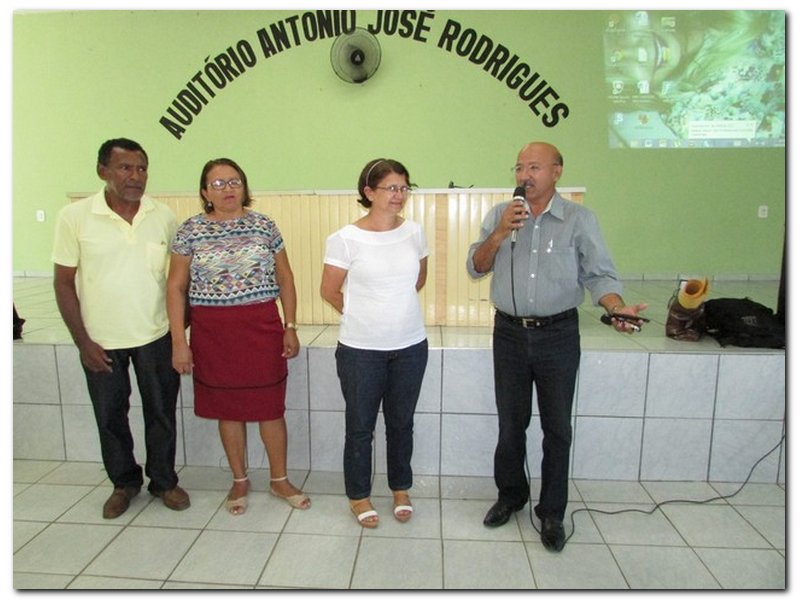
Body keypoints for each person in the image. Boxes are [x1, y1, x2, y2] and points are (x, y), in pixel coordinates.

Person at [466, 141, 647, 552]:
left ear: (556, 172)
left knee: (556, 428)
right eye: (518, 168)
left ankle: (551, 512)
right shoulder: (500, 214)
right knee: (511, 423)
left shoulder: (579, 220)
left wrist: (617, 308)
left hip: (558, 335)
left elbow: (600, 275)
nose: (524, 175)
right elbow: (476, 266)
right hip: (509, 333)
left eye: (533, 167)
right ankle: (511, 495)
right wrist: (499, 232)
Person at [53, 138, 189, 519]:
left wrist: (180, 331)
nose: (136, 176)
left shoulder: (162, 216)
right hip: (101, 340)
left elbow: (178, 282)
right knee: (111, 415)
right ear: (103, 171)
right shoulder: (75, 217)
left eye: (142, 168)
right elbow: (63, 283)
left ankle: (163, 481)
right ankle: (124, 482)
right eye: (125, 168)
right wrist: (83, 342)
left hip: (155, 335)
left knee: (161, 412)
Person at [166, 158, 309, 516]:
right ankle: (240, 479)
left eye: (234, 181)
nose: (227, 189)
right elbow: (175, 286)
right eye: (217, 184)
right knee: (227, 410)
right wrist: (178, 341)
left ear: (245, 187)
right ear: (204, 192)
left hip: (261, 328)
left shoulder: (264, 225)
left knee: (270, 409)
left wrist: (290, 325)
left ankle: (279, 480)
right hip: (213, 333)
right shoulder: (190, 231)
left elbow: (286, 278)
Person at [320, 158, 429, 529]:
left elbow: (417, 279)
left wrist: (393, 313)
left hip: (411, 346)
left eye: (404, 187)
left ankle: (400, 488)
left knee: (402, 423)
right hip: (360, 351)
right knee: (360, 427)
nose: (399, 195)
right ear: (368, 193)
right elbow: (329, 290)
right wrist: (365, 316)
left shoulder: (414, 232)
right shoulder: (345, 239)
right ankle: (359, 496)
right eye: (390, 188)